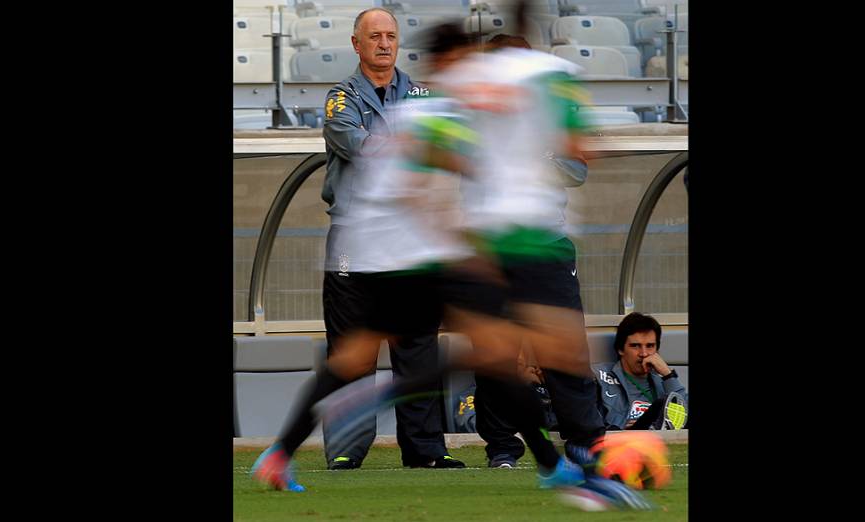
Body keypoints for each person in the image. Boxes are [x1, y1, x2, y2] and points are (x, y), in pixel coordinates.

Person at [253, 20, 653, 511]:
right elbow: (424, 185)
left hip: (385, 255)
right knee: (488, 350)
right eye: (469, 61)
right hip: (407, 257)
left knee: (362, 359)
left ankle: (279, 453)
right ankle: (550, 462)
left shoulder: (426, 108)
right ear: (451, 62)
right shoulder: (439, 112)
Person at [319, 7, 463, 470]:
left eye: (391, 36)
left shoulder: (423, 93)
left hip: (410, 237)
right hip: (355, 236)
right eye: (374, 36)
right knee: (352, 350)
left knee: (417, 347)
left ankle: (425, 451)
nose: (384, 43)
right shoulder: (339, 97)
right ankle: (346, 448)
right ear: (356, 44)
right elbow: (354, 144)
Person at [456, 31, 607, 470]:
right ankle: (502, 447)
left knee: (564, 351)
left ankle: (586, 444)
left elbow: (577, 171)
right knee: (495, 355)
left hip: (547, 244)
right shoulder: (472, 111)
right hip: (491, 247)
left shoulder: (553, 109)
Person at [592, 312, 689, 430]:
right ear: (620, 349)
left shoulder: (664, 382)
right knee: (660, 406)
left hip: (661, 442)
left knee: (666, 403)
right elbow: (585, 422)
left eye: (650, 346)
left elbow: (684, 418)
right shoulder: (599, 377)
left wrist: (668, 375)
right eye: (635, 346)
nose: (643, 353)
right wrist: (620, 428)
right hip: (620, 441)